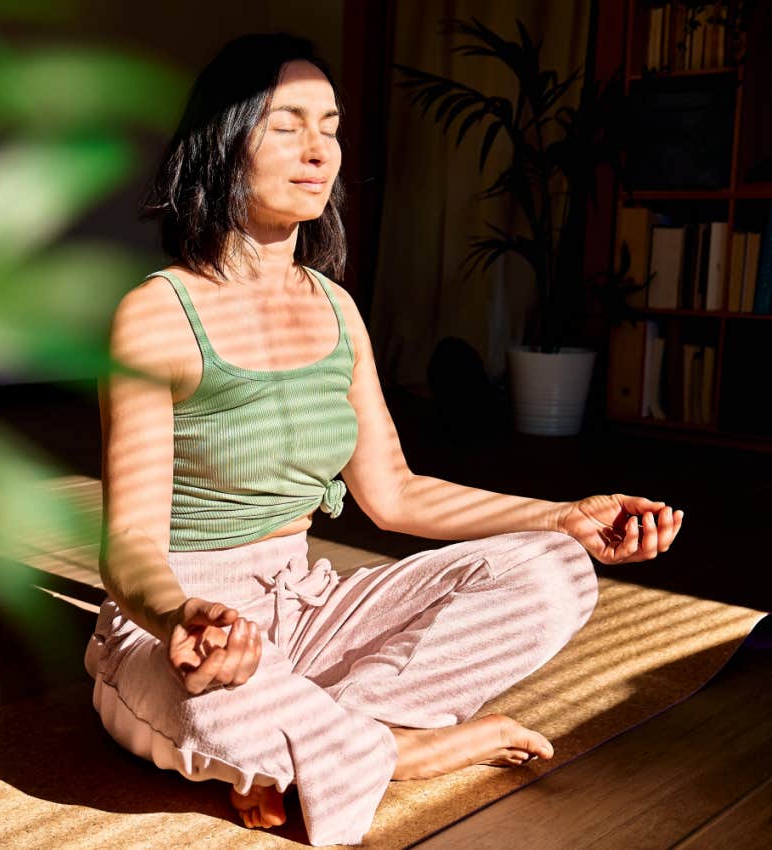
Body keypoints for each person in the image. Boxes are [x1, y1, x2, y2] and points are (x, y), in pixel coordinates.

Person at [84, 33, 684, 847]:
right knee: (219, 709)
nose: (318, 150)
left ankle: (330, 742)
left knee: (557, 573)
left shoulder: (337, 310)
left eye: (329, 127)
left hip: (305, 604)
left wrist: (561, 517)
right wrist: (179, 616)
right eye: (286, 124)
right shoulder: (157, 316)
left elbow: (395, 493)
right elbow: (127, 547)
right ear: (223, 144)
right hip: (191, 624)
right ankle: (395, 752)